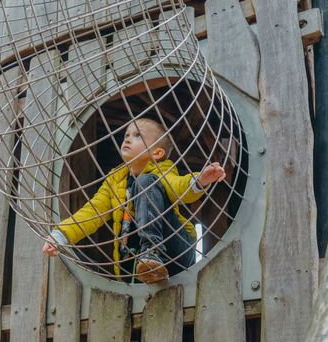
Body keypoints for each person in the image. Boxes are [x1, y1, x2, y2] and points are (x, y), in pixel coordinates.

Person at [43, 118, 225, 283]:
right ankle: (147, 264)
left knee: (145, 183)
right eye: (127, 135)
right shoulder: (115, 180)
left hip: (175, 251)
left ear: (157, 153)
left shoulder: (163, 171)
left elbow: (179, 187)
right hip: (132, 267)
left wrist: (200, 180)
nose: (128, 139)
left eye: (138, 136)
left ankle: (151, 251)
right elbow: (93, 211)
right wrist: (61, 235)